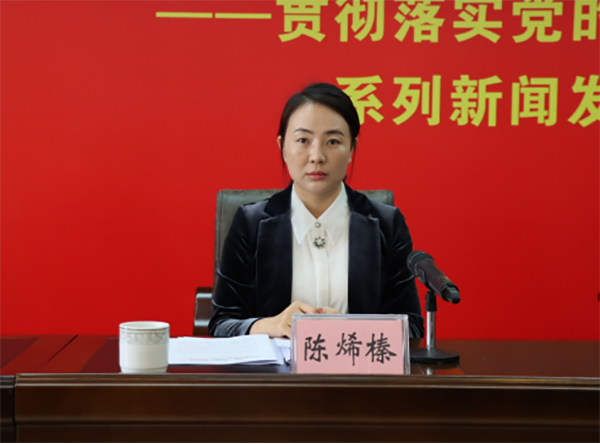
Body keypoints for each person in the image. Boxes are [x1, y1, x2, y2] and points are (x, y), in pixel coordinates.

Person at [208, 83, 424, 339]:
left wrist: (352, 328)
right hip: (276, 367)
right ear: (282, 146)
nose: (317, 156)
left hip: (356, 364)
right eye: (303, 140)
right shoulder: (250, 223)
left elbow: (412, 327)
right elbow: (222, 324)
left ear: (352, 149)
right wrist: (272, 325)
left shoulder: (387, 224)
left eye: (333, 141)